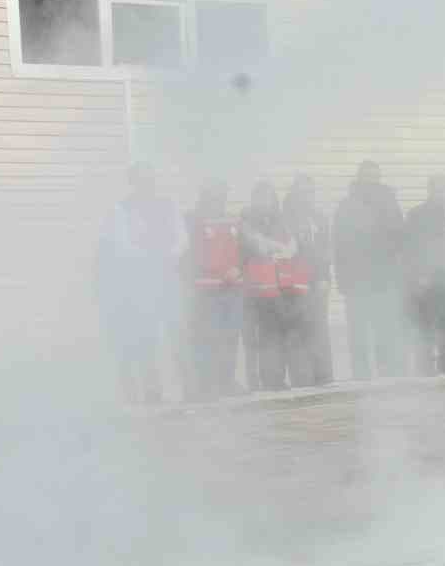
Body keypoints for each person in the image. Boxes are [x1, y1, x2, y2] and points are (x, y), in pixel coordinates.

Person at [98, 164, 186, 403]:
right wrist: (148, 257)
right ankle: (152, 389)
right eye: (142, 181)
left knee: (176, 331)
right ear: (133, 183)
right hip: (140, 280)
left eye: (150, 180)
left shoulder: (169, 205)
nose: (148, 185)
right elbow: (122, 244)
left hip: (167, 276)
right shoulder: (121, 210)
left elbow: (181, 238)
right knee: (146, 335)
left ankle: (185, 387)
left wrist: (168, 255)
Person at [335, 161, 405, 380]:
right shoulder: (347, 206)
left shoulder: (390, 204)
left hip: (384, 278)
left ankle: (387, 372)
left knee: (385, 328)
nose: (372, 181)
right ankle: (361, 374)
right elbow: (339, 245)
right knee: (358, 331)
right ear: (359, 178)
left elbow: (400, 238)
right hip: (356, 279)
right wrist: (342, 279)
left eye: (376, 176)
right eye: (367, 176)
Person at [241, 180, 310, 391]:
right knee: (259, 336)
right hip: (255, 287)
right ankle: (261, 381)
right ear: (254, 200)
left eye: (268, 197)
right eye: (261, 197)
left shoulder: (280, 220)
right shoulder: (245, 220)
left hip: (278, 285)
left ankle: (279, 378)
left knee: (278, 332)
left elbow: (292, 247)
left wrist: (277, 248)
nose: (265, 202)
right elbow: (257, 244)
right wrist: (277, 248)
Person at [185, 178, 243, 400]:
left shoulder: (232, 220)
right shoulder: (193, 219)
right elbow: (192, 253)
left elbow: (240, 248)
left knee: (230, 337)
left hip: (232, 288)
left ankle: (227, 380)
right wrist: (220, 271)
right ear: (205, 194)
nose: (220, 198)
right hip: (207, 289)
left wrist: (238, 269)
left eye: (223, 193)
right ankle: (206, 384)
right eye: (216, 193)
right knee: (208, 337)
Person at [406, 174, 445, 374]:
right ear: (430, 190)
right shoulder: (418, 214)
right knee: (427, 321)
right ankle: (424, 365)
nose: (442, 194)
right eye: (438, 189)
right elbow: (412, 247)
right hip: (431, 276)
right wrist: (420, 274)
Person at [284, 175, 332, 385]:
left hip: (317, 281)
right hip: (295, 280)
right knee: (297, 328)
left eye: (310, 192)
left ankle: (323, 375)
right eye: (302, 192)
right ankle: (301, 377)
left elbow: (325, 251)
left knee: (319, 327)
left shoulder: (320, 218)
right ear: (294, 193)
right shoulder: (285, 218)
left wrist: (324, 277)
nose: (307, 197)